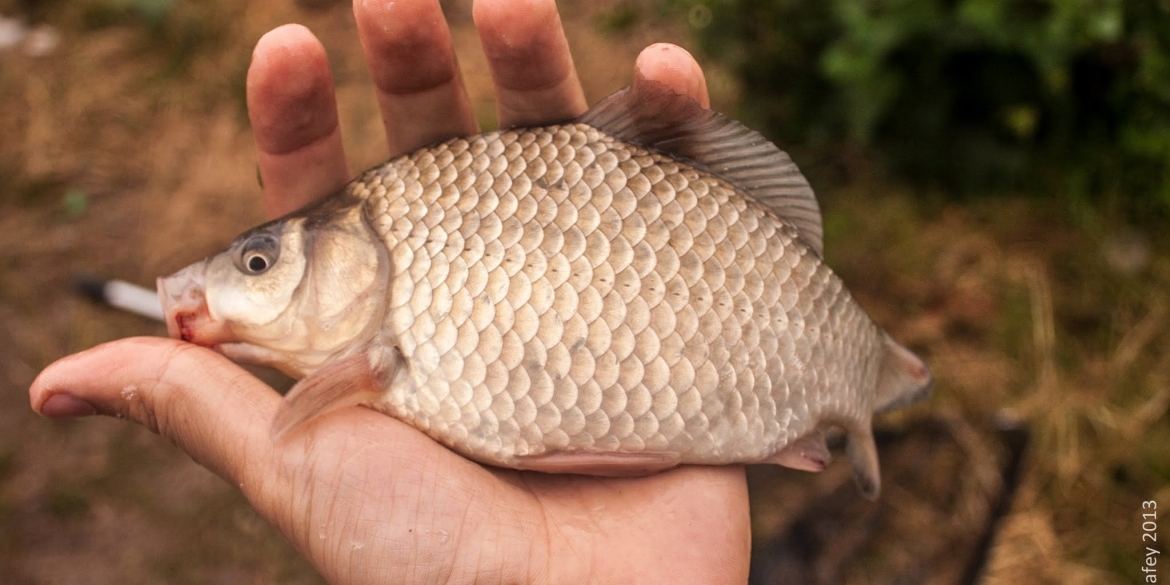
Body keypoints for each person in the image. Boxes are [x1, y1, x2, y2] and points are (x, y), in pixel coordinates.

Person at [29, 0, 751, 583]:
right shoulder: (366, 346)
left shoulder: (364, 359)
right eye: (258, 263)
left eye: (258, 263)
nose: (239, 276)